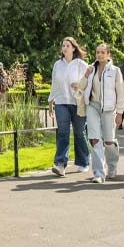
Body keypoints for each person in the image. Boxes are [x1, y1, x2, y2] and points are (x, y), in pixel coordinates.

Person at [80, 44, 124, 183]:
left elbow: (121, 92)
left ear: (108, 55)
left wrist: (120, 112)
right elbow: (81, 86)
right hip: (92, 105)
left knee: (108, 141)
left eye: (102, 52)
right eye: (97, 52)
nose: (99, 55)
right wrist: (86, 75)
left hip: (109, 108)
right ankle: (99, 173)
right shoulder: (90, 69)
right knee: (94, 139)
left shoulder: (115, 71)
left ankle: (112, 165)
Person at [47, 37, 90, 177]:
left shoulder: (81, 64)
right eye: (63, 45)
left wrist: (79, 84)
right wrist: (50, 102)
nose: (64, 48)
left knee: (79, 133)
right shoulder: (57, 65)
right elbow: (54, 84)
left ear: (73, 48)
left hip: (77, 103)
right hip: (61, 102)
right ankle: (60, 164)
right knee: (63, 132)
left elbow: (88, 83)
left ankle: (83, 162)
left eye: (67, 45)